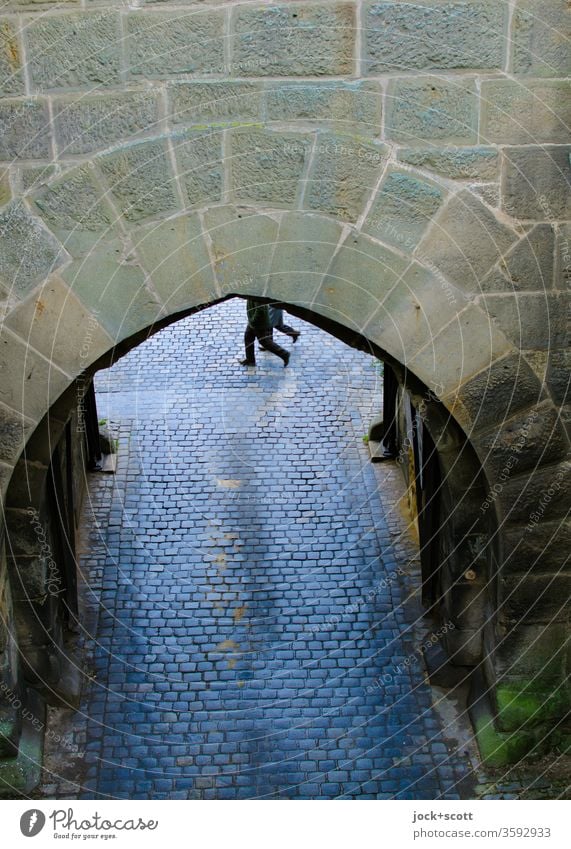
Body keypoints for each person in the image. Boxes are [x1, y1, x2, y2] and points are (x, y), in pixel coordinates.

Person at [240, 299, 290, 368]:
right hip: (253, 321)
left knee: (264, 342)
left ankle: (284, 354)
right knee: (248, 337)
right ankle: (250, 360)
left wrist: (253, 320)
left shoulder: (256, 293)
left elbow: (261, 309)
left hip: (259, 322)